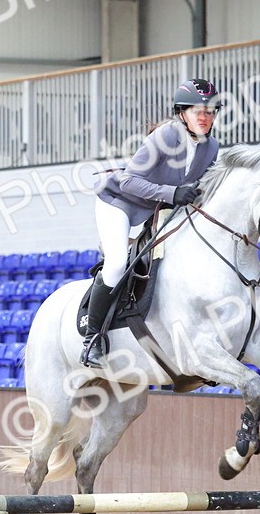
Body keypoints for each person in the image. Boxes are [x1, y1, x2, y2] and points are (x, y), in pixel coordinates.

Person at [80, 78, 221, 368]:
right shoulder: (165, 137)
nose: (205, 118)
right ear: (182, 113)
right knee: (118, 262)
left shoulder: (211, 147)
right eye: (198, 111)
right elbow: (130, 181)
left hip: (153, 211)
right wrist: (172, 193)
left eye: (210, 111)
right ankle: (93, 339)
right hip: (118, 202)